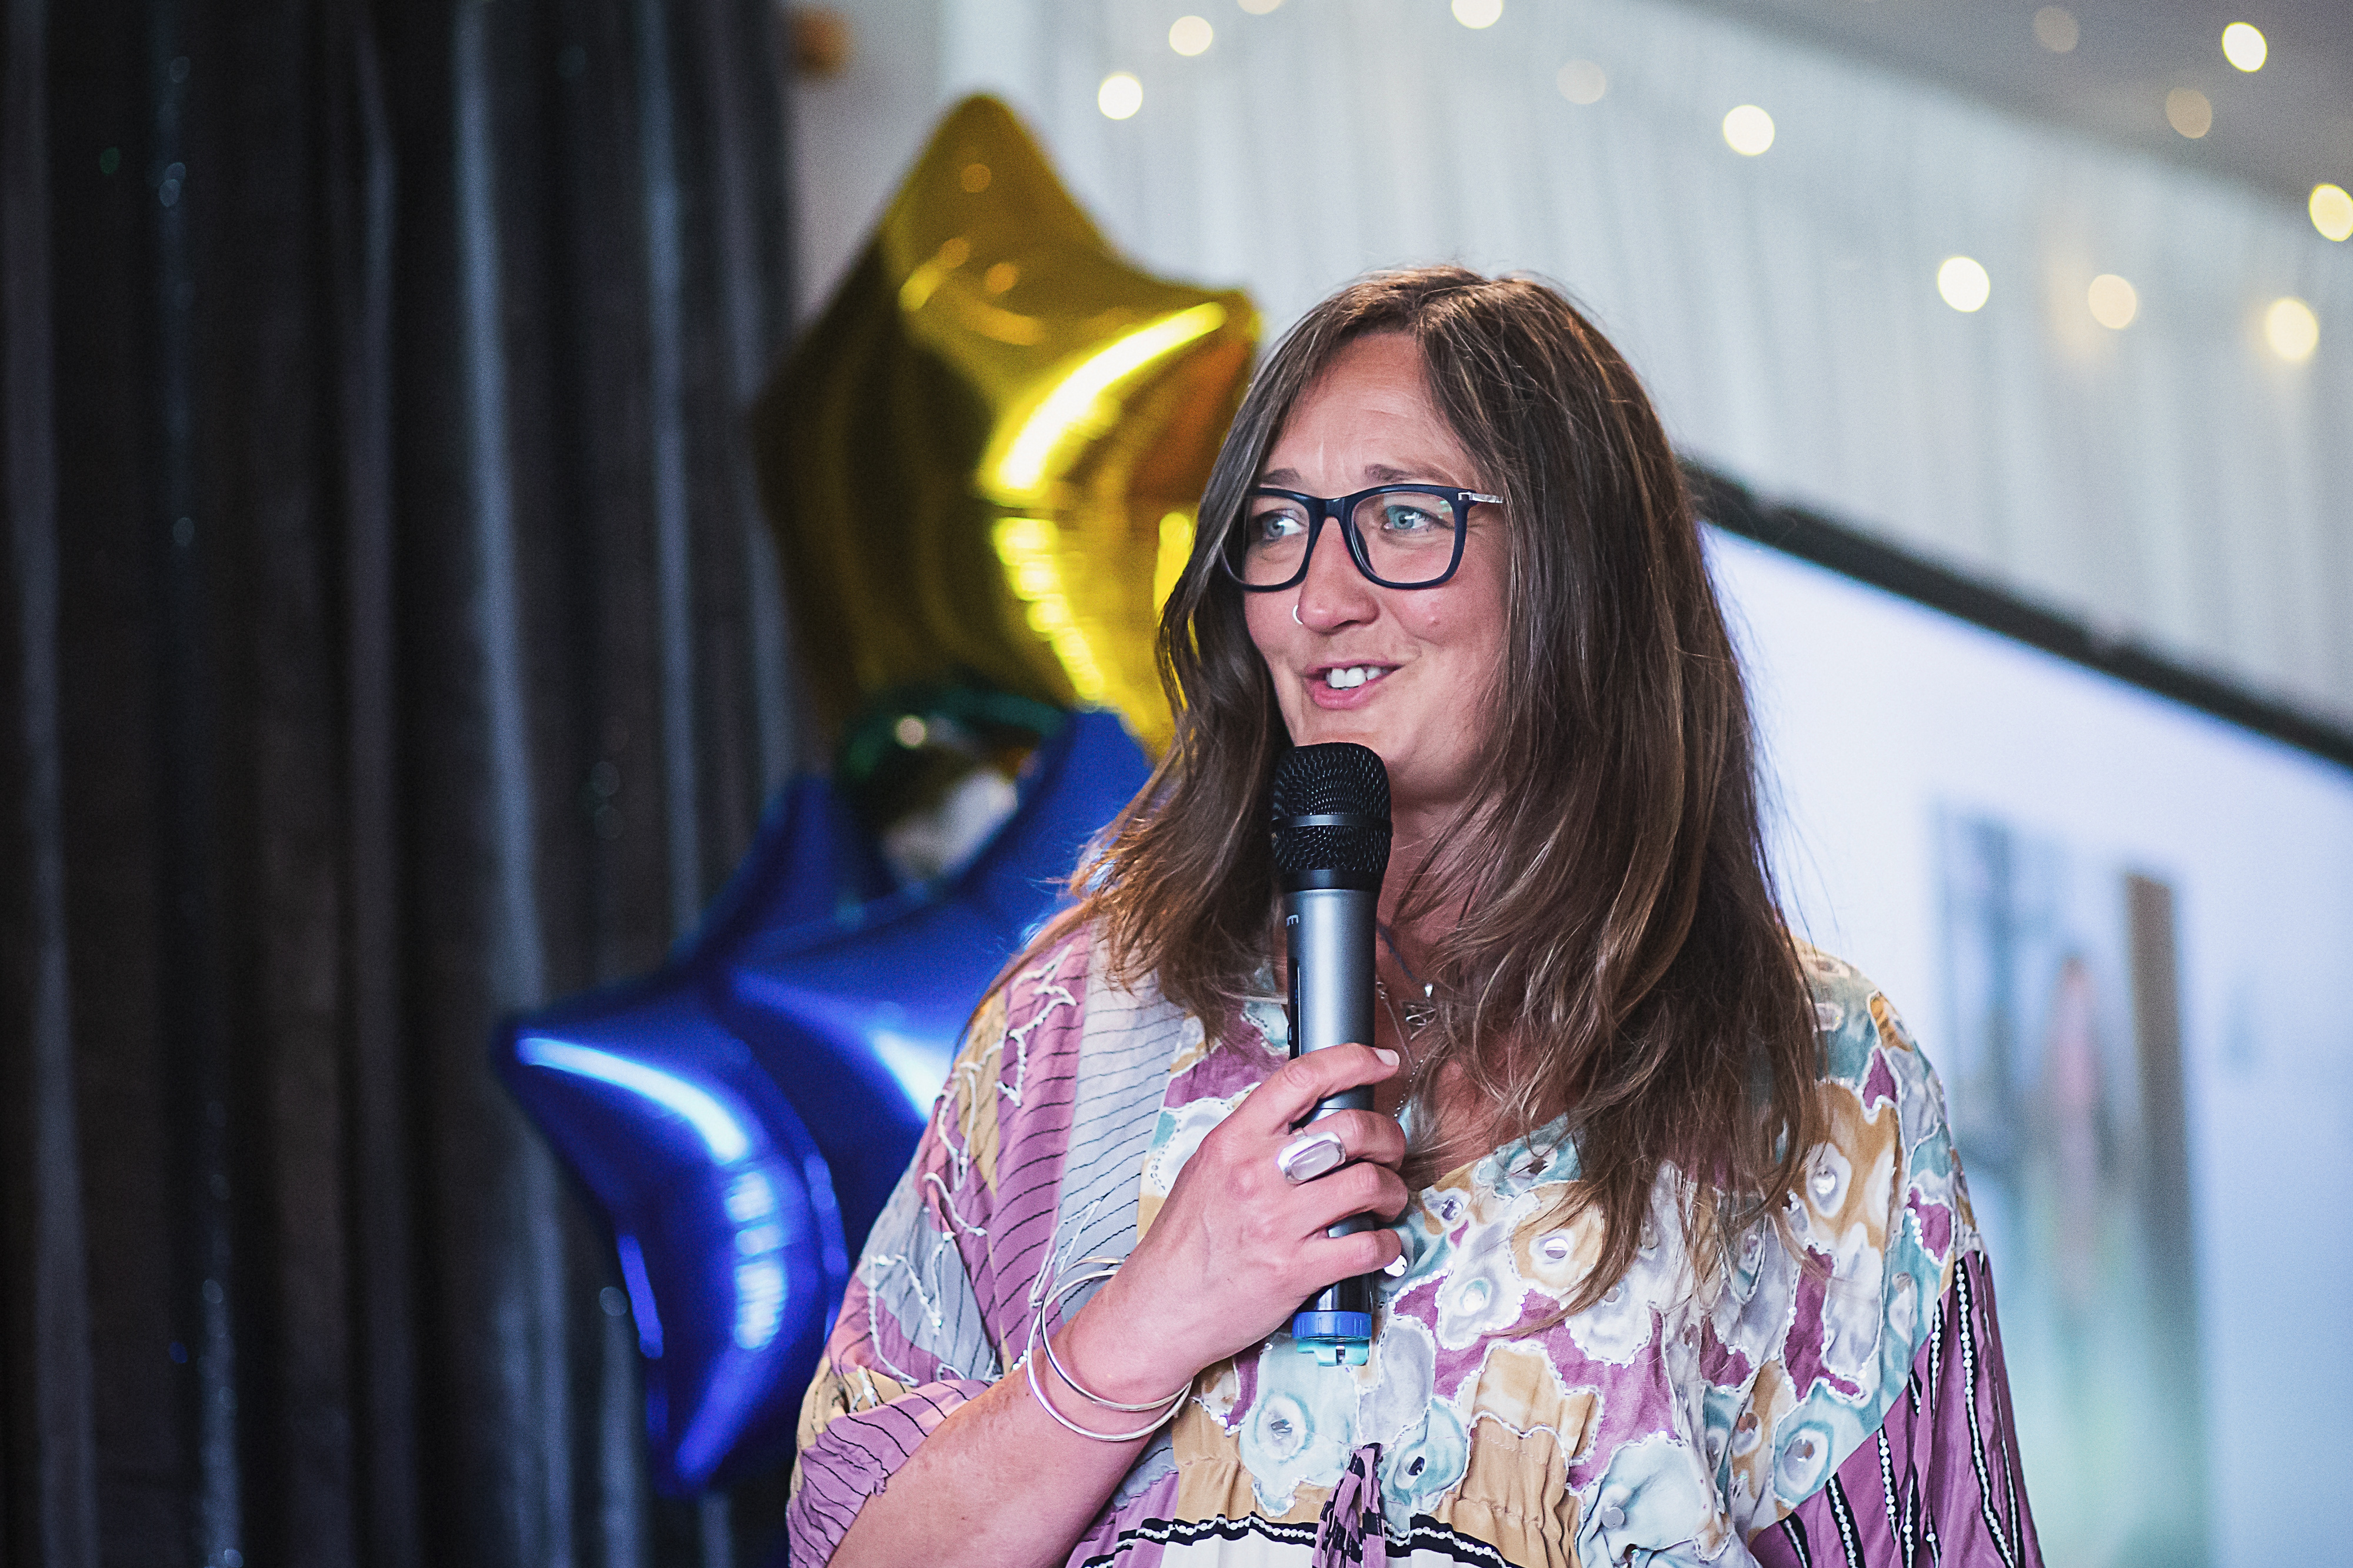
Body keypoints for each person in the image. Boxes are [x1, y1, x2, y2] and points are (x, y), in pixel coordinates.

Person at [788, 268, 2041, 1567]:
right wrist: (1143, 1324)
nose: (1319, 597)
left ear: (1580, 569)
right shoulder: (1085, 1021)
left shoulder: (1811, 1077)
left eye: (1400, 516)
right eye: (1277, 526)